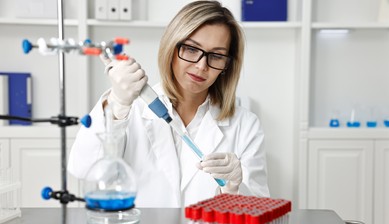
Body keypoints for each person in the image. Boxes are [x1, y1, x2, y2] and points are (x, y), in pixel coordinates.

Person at [68, 0, 270, 207]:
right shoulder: (131, 109)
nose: (201, 66)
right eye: (192, 49)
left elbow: (260, 211)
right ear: (171, 48)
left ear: (227, 65)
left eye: (216, 55)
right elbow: (83, 169)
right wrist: (117, 103)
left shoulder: (245, 125)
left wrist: (234, 189)